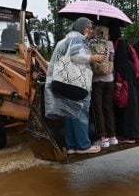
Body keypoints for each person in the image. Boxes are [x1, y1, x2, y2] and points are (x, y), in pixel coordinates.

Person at [45, 17, 106, 154]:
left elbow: (53, 64)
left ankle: (71, 146)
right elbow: (75, 56)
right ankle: (83, 146)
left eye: (91, 28)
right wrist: (93, 58)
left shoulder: (65, 40)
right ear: (81, 27)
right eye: (88, 27)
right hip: (77, 82)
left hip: (64, 81)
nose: (90, 31)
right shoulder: (78, 38)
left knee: (70, 112)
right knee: (80, 112)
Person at [89, 25, 117, 148]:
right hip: (109, 80)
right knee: (108, 108)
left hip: (96, 81)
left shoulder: (90, 43)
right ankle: (113, 137)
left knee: (98, 109)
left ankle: (102, 138)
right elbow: (112, 60)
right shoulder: (110, 43)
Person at [112, 27, 139, 143]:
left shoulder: (120, 43)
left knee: (127, 107)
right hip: (130, 77)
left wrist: (118, 80)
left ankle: (130, 136)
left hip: (125, 79)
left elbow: (120, 62)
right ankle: (131, 135)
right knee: (130, 106)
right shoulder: (124, 43)